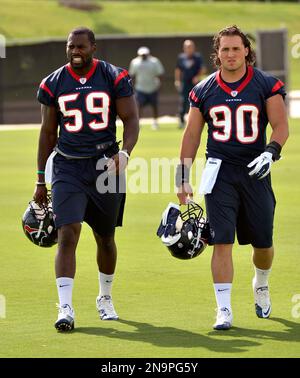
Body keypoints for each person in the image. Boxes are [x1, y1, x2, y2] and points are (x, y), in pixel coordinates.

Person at [176, 25, 289, 330]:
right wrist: (181, 176)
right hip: (219, 172)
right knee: (221, 241)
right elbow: (191, 135)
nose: (230, 54)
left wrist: (271, 151)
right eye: (224, 49)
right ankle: (223, 309)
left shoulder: (265, 84)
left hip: (256, 171)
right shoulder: (204, 90)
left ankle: (261, 283)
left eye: (236, 48)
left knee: (263, 243)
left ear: (246, 51)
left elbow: (281, 126)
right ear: (217, 54)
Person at [34, 27, 139, 332]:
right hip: (68, 167)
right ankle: (65, 306)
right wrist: (41, 179)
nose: (75, 51)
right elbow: (47, 133)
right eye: (70, 47)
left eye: (80, 46)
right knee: (68, 233)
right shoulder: (53, 82)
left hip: (107, 166)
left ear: (93, 47)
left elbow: (131, 119)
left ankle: (104, 297)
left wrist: (126, 153)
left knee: (105, 237)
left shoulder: (113, 76)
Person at [129, 46, 164, 130]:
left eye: (145, 54)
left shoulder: (154, 62)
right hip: (140, 88)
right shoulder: (135, 62)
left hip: (153, 87)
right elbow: (132, 75)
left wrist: (160, 84)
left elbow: (160, 73)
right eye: (142, 54)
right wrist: (131, 86)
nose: (143, 56)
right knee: (139, 105)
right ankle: (138, 122)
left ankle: (155, 122)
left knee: (154, 106)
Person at [175, 39, 205, 129]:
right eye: (187, 47)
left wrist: (197, 76)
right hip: (185, 83)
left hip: (195, 85)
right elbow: (178, 69)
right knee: (183, 101)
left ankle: (199, 121)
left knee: (198, 102)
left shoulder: (198, 57)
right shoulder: (181, 57)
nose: (189, 49)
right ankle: (181, 121)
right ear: (184, 48)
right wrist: (177, 80)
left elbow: (203, 69)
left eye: (190, 47)